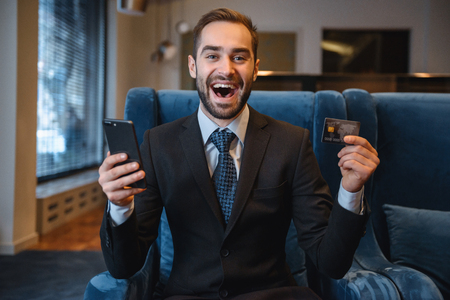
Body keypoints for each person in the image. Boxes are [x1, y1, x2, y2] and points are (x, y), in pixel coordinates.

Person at [99, 8, 379, 300]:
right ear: (193, 66)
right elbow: (124, 267)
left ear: (255, 68)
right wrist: (119, 205)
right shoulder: (158, 144)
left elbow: (331, 263)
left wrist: (351, 190)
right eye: (212, 55)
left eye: (239, 57)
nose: (226, 69)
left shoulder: (292, 144)